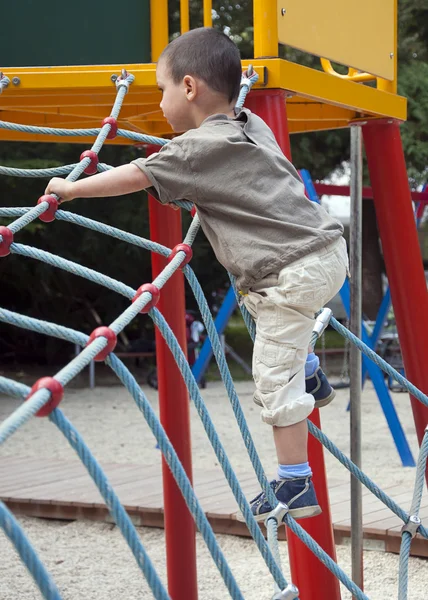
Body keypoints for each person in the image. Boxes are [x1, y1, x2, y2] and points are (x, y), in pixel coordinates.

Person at [46, 27, 348, 521]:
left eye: (162, 90)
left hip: (288, 271)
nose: (160, 103)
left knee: (273, 382)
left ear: (189, 88)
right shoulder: (249, 124)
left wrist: (72, 190)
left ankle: (296, 485)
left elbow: (138, 174)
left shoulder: (194, 149)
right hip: (327, 252)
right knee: (284, 323)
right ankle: (311, 373)